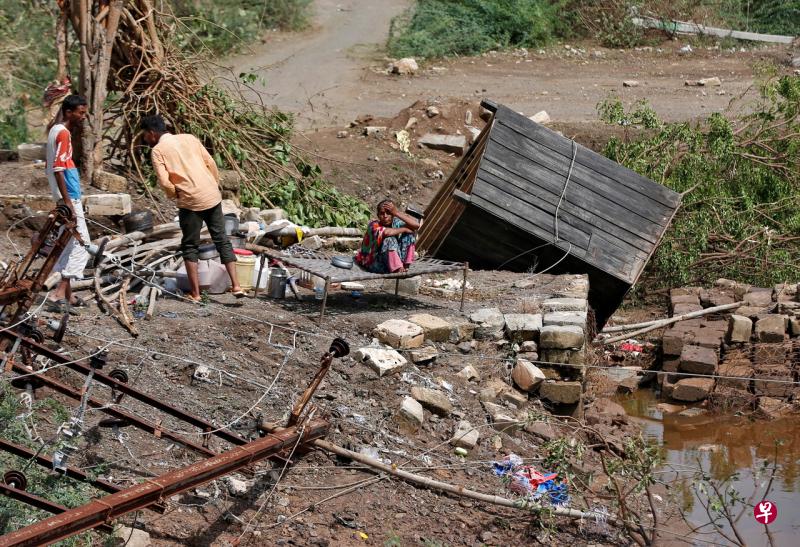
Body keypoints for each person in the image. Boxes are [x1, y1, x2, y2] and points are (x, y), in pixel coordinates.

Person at [140, 115, 244, 301]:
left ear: (152, 133)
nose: (145, 139)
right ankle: (236, 286)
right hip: (211, 195)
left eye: (145, 135)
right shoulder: (189, 138)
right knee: (221, 239)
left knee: (190, 245)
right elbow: (210, 163)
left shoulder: (157, 151)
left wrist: (174, 194)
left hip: (190, 201)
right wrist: (212, 184)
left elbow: (164, 181)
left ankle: (195, 293)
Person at [45, 94, 91, 313]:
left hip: (65, 195)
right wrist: (68, 203)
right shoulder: (63, 133)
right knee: (82, 245)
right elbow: (58, 168)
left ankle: (69, 295)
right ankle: (57, 294)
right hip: (69, 196)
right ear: (69, 111)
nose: (83, 116)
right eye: (81, 112)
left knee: (69, 243)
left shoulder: (55, 130)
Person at [355, 199, 419, 273]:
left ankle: (405, 265)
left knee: (409, 234)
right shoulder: (373, 225)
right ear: (378, 215)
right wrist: (404, 229)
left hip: (391, 262)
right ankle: (397, 269)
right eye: (382, 213)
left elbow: (416, 225)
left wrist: (396, 213)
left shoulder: (396, 222)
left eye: (388, 213)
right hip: (374, 263)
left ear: (393, 215)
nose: (385, 216)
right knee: (389, 239)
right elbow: (386, 233)